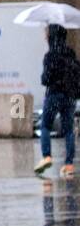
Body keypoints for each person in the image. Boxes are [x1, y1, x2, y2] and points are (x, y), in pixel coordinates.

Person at [35, 23, 80, 178]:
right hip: (69, 96)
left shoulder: (50, 55)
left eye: (47, 33)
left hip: (54, 94)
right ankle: (68, 164)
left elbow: (45, 79)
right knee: (68, 130)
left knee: (45, 126)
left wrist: (45, 76)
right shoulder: (71, 53)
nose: (45, 35)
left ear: (52, 36)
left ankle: (47, 156)